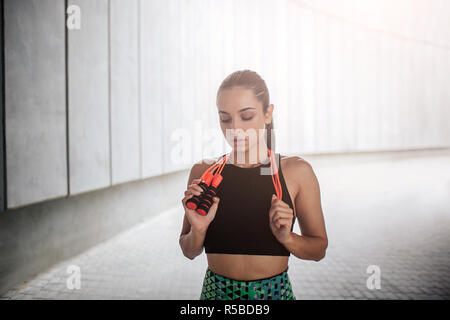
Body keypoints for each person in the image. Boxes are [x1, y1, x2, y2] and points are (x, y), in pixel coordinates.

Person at [179, 69, 328, 300]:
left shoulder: (296, 172)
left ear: (268, 113)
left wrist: (288, 238)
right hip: (216, 295)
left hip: (273, 295)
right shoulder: (203, 173)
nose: (234, 128)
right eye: (225, 118)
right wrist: (198, 230)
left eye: (246, 116)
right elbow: (189, 251)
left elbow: (318, 249)